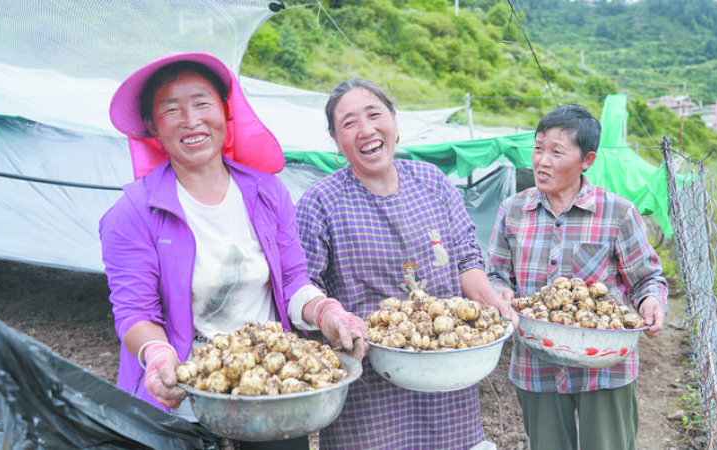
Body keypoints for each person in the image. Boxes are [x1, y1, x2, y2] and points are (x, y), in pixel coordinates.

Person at [99, 52, 366, 450]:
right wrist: (156, 354)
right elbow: (135, 312)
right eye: (172, 110)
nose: (191, 120)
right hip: (186, 401)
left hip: (271, 395)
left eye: (202, 103)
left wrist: (327, 311)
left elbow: (293, 282)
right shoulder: (133, 212)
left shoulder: (268, 192)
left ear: (225, 112)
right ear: (154, 127)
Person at [295, 77, 518, 450]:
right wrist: (335, 323)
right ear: (335, 139)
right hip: (370, 383)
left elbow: (466, 257)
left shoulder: (432, 182)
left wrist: (492, 300)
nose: (366, 130)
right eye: (349, 123)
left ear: (395, 121)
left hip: (445, 369)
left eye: (374, 114)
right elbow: (304, 286)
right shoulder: (321, 202)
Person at [487, 103, 667, 450]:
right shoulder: (512, 211)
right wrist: (500, 294)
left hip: (606, 365)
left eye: (556, 152)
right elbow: (497, 274)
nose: (541, 161)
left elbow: (646, 278)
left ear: (587, 160)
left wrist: (652, 302)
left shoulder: (618, 212)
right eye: (538, 148)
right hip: (535, 363)